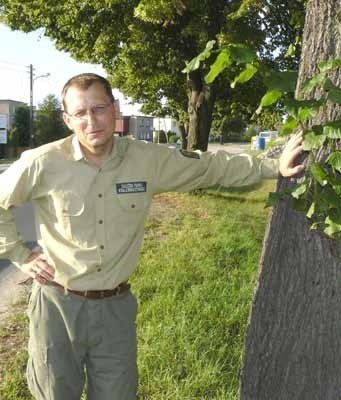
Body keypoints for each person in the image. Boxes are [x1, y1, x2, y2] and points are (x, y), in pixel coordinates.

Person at [0, 73, 304, 400]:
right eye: (80, 113)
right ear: (67, 119)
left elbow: (208, 167)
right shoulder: (42, 162)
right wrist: (19, 253)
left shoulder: (146, 160)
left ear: (115, 109)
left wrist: (272, 166)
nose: (91, 120)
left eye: (99, 108)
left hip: (114, 311)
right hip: (56, 307)